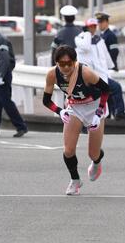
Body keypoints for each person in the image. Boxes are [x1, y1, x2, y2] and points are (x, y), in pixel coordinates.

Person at [43, 45, 110, 195]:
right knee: (68, 150)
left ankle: (97, 160)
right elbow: (46, 100)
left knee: (93, 153)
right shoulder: (52, 75)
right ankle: (75, 180)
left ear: (75, 62)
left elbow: (106, 90)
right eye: (62, 64)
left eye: (69, 63)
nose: (66, 67)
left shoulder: (85, 72)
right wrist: (59, 111)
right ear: (56, 63)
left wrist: (98, 114)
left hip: (94, 107)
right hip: (75, 108)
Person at [75, 18, 125, 120]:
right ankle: (104, 115)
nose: (93, 28)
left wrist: (112, 66)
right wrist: (87, 34)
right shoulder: (80, 39)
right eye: (90, 26)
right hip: (89, 77)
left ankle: (118, 112)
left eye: (94, 26)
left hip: (101, 75)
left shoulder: (99, 40)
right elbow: (86, 47)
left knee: (115, 88)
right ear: (86, 27)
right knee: (100, 96)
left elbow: (105, 56)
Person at [95, 12, 125, 120]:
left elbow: (114, 51)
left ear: (106, 22)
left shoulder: (110, 35)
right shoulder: (102, 35)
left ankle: (116, 111)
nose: (100, 24)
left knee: (112, 90)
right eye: (99, 22)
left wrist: (109, 65)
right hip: (104, 69)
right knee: (109, 91)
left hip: (109, 68)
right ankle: (111, 112)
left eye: (101, 22)